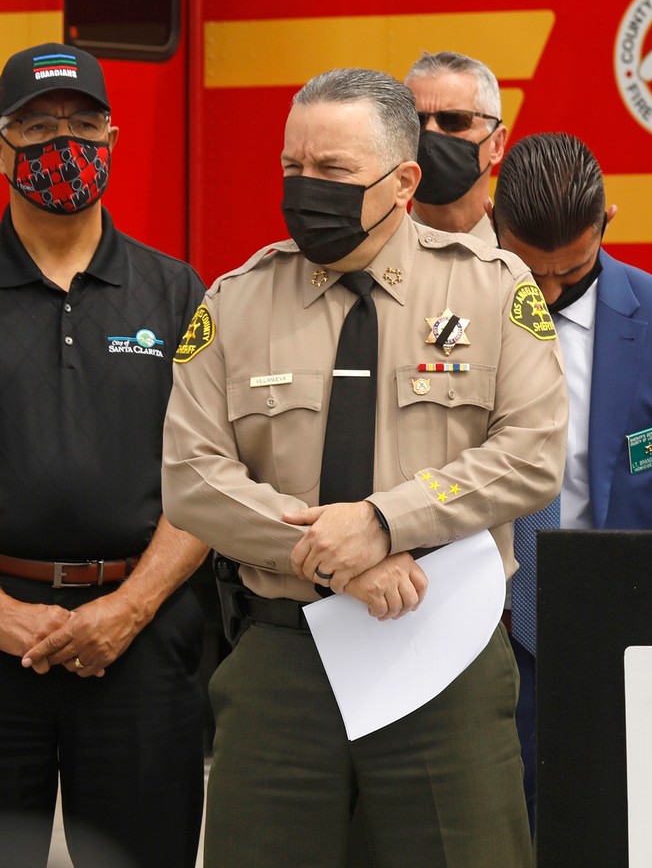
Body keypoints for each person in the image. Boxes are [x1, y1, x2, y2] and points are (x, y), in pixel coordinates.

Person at [162, 67, 566, 868]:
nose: (306, 188)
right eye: (293, 169)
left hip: (439, 652)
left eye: (334, 172)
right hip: (282, 660)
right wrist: (334, 559)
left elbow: (533, 456)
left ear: (404, 180)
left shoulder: (492, 290)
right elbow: (191, 476)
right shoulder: (235, 301)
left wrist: (384, 523)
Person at [0, 44, 210, 868]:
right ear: (4, 144)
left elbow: (212, 475)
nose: (64, 143)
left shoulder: (175, 292)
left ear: (113, 137)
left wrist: (127, 609)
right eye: (39, 126)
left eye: (83, 123)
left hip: (140, 642)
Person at [489, 132, 652, 832]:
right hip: (476, 649)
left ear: (607, 223)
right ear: (494, 226)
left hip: (621, 648)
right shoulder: (444, 325)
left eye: (572, 271)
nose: (550, 294)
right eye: (530, 274)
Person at [407, 50, 508, 242]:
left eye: (454, 121)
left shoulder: (526, 262)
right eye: (415, 121)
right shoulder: (366, 261)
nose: (430, 132)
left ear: (496, 144)